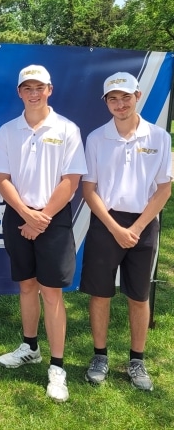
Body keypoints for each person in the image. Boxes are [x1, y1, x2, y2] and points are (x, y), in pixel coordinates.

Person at [0, 65, 87, 402]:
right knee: (27, 286)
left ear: (50, 89)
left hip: (52, 220)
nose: (33, 93)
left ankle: (58, 367)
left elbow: (71, 181)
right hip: (18, 216)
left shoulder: (67, 129)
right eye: (27, 88)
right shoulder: (7, 130)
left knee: (51, 292)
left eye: (39, 87)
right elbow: (1, 178)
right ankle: (30, 346)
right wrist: (26, 215)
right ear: (19, 93)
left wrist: (41, 218)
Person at [80, 72, 172, 391]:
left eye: (125, 97)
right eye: (113, 99)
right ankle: (100, 356)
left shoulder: (159, 137)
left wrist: (134, 227)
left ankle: (136, 360)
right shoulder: (95, 138)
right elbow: (89, 189)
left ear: (138, 95)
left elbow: (163, 189)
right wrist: (117, 228)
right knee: (101, 293)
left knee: (139, 294)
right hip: (107, 223)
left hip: (143, 224)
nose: (120, 104)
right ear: (106, 102)